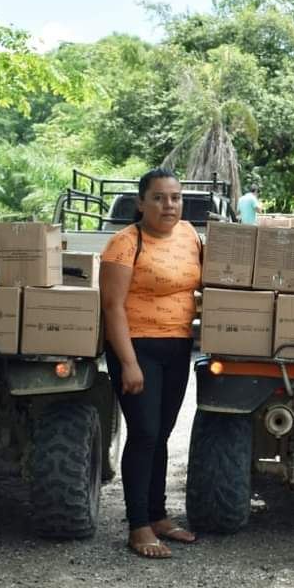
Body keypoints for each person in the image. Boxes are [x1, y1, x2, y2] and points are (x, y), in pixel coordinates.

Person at [99, 168, 202, 559]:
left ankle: (158, 516)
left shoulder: (190, 235)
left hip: (178, 346)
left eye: (175, 197)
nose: (169, 205)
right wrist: (128, 363)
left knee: (161, 434)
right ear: (141, 203)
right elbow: (112, 306)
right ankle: (138, 525)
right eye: (158, 198)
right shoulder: (125, 243)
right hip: (136, 347)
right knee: (143, 433)